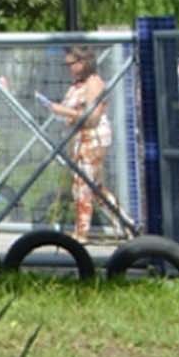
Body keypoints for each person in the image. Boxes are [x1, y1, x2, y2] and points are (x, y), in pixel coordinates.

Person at [45, 44, 112, 241]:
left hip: (92, 137)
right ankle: (127, 225)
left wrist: (62, 111)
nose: (68, 68)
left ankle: (81, 234)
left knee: (83, 185)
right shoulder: (77, 85)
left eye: (71, 64)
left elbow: (92, 118)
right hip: (79, 137)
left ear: (83, 63)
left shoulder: (94, 83)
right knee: (95, 188)